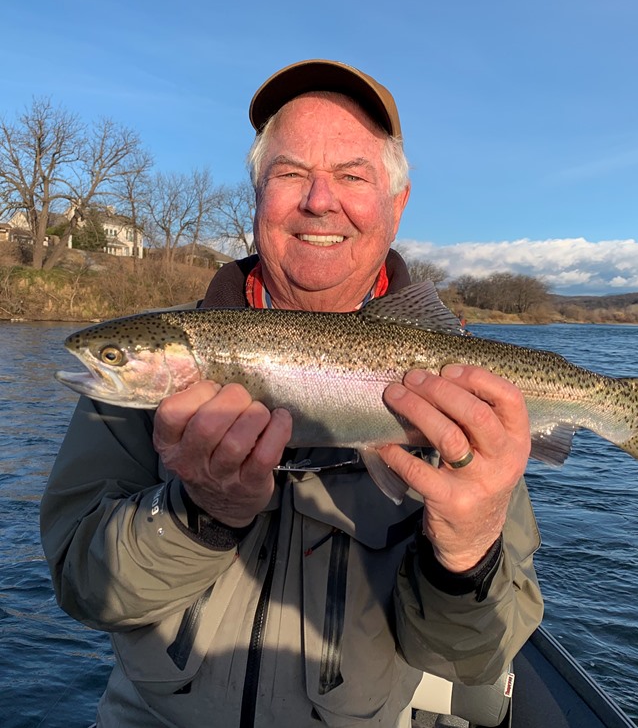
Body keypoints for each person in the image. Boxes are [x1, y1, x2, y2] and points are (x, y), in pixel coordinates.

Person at [40, 59, 543, 727]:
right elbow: (83, 587)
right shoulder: (131, 388)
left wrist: (467, 553)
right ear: (256, 198)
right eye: (291, 174)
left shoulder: (463, 391)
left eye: (353, 176)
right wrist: (199, 514)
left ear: (397, 206)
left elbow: (471, 659)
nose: (318, 200)